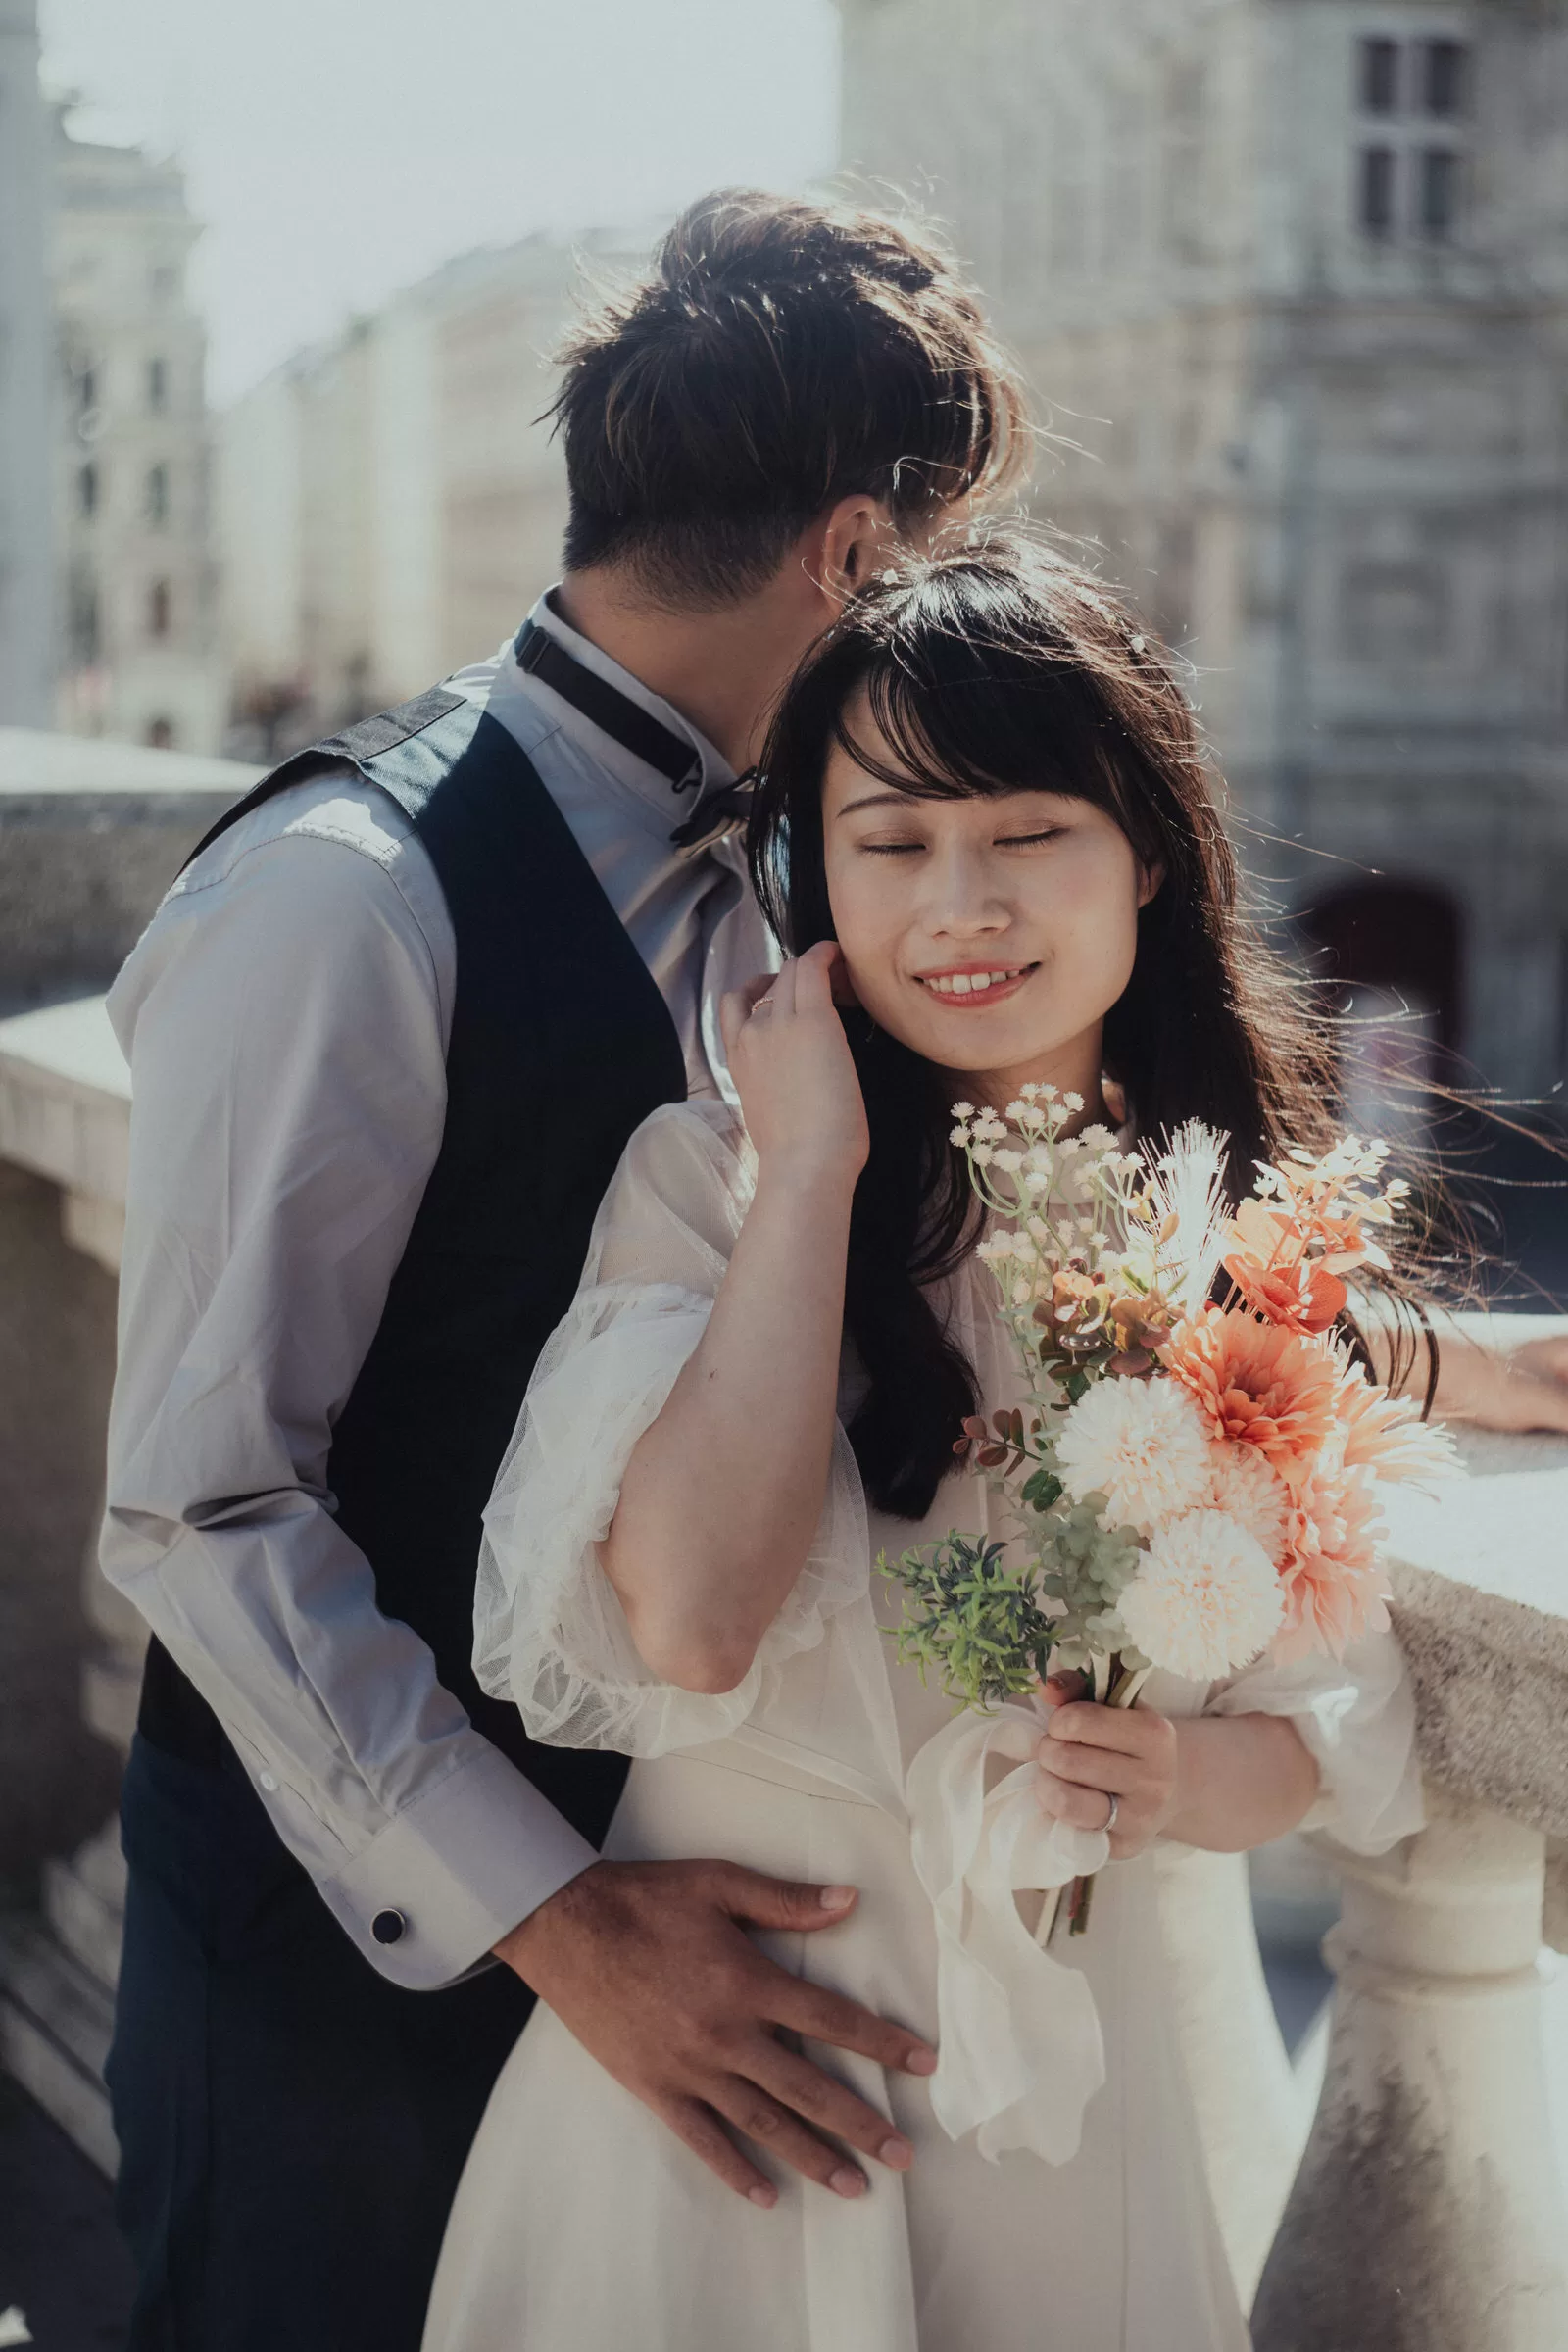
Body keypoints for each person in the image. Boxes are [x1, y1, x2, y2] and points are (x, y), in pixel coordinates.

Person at [421, 532, 1565, 2352]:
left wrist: (1186, 1790)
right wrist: (812, 1170)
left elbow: (1331, 1732)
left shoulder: (1245, 1255)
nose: (959, 906)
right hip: (752, 2070)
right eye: (889, 845)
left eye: (1026, 833)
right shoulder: (707, 1189)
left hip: (1097, 2103)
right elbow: (695, 1621)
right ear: (819, 882)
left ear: (1150, 856)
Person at [99, 189, 1029, 2352]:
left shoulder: (811, 867)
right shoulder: (342, 898)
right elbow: (201, 1505)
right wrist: (566, 1927)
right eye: (942, 552)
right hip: (335, 1976)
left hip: (687, 1953)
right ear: (853, 555)